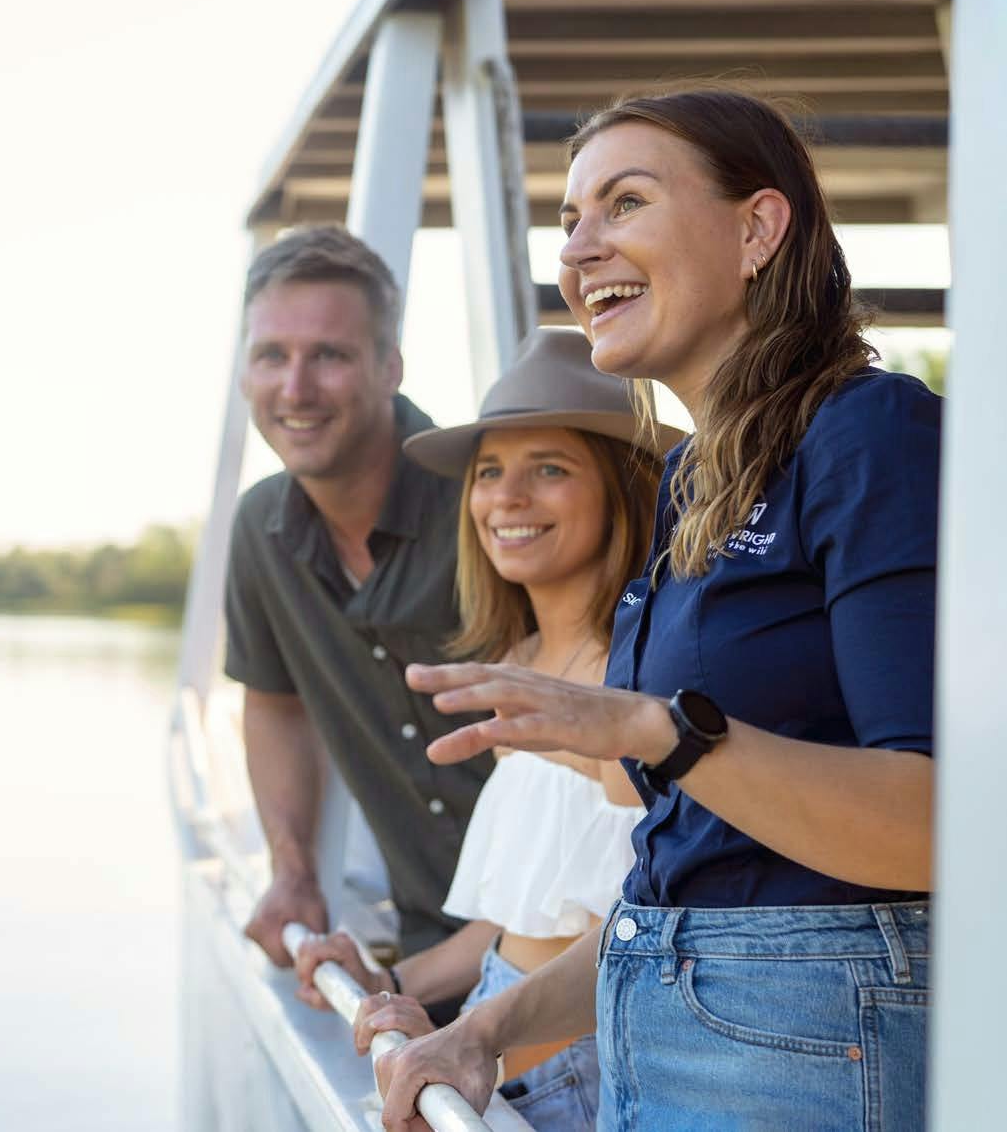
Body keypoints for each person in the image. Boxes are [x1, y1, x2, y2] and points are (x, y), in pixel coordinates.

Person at [367, 89, 938, 1132]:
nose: (578, 251)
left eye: (622, 203)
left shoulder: (873, 436)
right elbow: (683, 892)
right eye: (568, 222)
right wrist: (484, 1030)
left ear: (758, 228)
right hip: (649, 1045)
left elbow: (936, 826)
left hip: (809, 1054)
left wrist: (651, 730)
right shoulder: (691, 484)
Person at [293, 327, 674, 1131]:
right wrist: (386, 976)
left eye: (549, 468)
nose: (507, 496)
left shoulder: (640, 674)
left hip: (579, 1073)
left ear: (619, 487)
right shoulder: (518, 661)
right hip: (488, 1063)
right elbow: (515, 921)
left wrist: (478, 1038)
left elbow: (640, 928)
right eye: (490, 471)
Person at [226, 225, 493, 976]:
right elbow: (274, 702)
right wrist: (292, 869)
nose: (295, 388)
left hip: (565, 945)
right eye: (271, 355)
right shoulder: (260, 530)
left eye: (329, 355)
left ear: (389, 368)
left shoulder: (489, 505)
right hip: (427, 941)